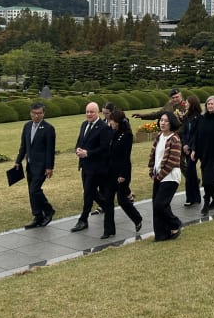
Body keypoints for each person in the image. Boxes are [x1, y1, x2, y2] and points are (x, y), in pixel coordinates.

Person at [99, 108, 142, 238]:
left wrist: (122, 175)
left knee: (122, 200)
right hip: (110, 172)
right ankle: (109, 230)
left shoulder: (127, 135)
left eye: (111, 120)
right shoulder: (114, 132)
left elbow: (125, 156)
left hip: (122, 172)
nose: (109, 122)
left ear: (117, 121)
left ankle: (137, 218)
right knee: (108, 201)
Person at [71, 102, 113, 233]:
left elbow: (104, 148)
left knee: (88, 193)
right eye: (87, 111)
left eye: (92, 112)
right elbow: (80, 140)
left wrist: (88, 153)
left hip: (97, 168)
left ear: (98, 112)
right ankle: (107, 206)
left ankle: (83, 220)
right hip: (85, 166)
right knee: (91, 192)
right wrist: (78, 149)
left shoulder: (104, 127)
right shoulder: (84, 125)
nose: (89, 114)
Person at [13, 102, 55, 229]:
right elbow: (23, 146)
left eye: (39, 113)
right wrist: (18, 161)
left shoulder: (48, 129)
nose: (37, 116)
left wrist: (49, 167)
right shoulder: (27, 126)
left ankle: (48, 210)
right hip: (30, 165)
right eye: (34, 113)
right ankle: (37, 216)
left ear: (43, 114)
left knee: (34, 190)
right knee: (31, 192)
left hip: (41, 166)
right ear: (30, 113)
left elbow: (50, 150)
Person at [147, 111, 183, 241]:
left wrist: (159, 176)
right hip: (158, 175)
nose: (162, 123)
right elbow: (154, 157)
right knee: (157, 206)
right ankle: (162, 235)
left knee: (160, 204)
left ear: (171, 123)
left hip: (170, 177)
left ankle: (175, 223)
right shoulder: (159, 136)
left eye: (166, 121)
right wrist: (152, 171)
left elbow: (172, 161)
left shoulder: (175, 139)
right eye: (161, 120)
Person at [180, 94, 202, 207]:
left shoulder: (198, 117)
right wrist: (184, 144)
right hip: (186, 148)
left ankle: (190, 198)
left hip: (195, 149)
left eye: (187, 102)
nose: (185, 103)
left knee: (189, 173)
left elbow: (197, 134)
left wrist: (190, 146)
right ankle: (197, 197)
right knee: (192, 173)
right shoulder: (186, 117)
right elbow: (184, 133)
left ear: (192, 103)